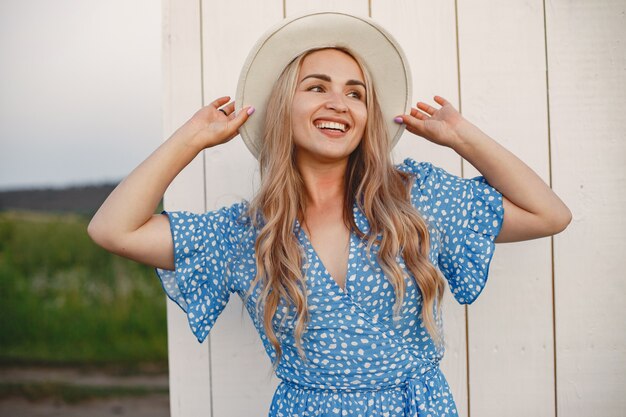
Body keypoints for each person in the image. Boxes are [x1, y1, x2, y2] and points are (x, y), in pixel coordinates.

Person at [88, 12, 571, 417]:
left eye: (355, 93)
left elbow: (548, 214)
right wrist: (191, 137)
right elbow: (113, 229)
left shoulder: (415, 200)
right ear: (284, 106)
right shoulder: (244, 233)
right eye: (317, 87)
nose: (338, 102)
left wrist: (462, 137)